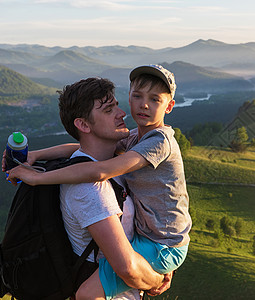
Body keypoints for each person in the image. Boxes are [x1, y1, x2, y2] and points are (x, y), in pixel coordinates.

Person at [7, 65, 191, 300]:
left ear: (169, 106)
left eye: (154, 99)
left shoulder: (154, 143)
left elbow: (95, 164)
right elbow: (129, 269)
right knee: (86, 294)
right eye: (109, 109)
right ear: (83, 125)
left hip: (163, 242)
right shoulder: (94, 185)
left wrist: (38, 170)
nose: (125, 112)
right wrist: (156, 279)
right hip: (156, 246)